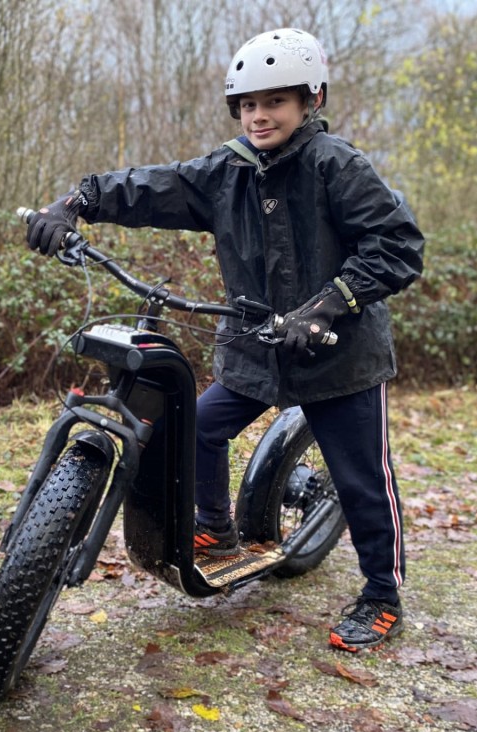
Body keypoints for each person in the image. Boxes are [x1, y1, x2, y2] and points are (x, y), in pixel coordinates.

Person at [25, 28, 424, 652]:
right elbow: (151, 186)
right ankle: (216, 530)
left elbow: (398, 247)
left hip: (338, 355)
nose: (259, 116)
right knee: (198, 428)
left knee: (361, 477)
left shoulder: (336, 165)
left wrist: (328, 303)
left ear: (309, 101)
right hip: (256, 349)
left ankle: (381, 595)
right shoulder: (226, 172)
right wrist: (74, 203)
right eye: (247, 105)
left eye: (275, 103)